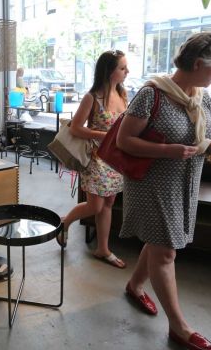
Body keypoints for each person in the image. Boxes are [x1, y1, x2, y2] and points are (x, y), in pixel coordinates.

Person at [117, 32, 211, 350]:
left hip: (185, 181)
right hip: (152, 182)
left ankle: (135, 287)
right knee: (166, 250)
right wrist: (168, 151)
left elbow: (198, 137)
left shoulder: (201, 96)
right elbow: (124, 141)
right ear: (198, 64)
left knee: (158, 242)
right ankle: (179, 328)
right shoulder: (151, 94)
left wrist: (210, 146)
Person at [57, 49, 129, 269]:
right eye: (122, 68)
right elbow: (76, 128)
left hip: (116, 159)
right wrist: (102, 135)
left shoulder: (123, 94)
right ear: (109, 71)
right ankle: (65, 222)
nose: (127, 72)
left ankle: (103, 249)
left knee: (108, 204)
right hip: (96, 157)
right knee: (95, 206)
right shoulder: (92, 97)